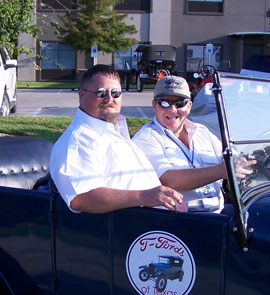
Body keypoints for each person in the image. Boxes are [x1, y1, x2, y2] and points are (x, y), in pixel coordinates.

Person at [49, 65, 183, 214]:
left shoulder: (113, 132)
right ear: (82, 95)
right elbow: (81, 198)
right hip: (126, 226)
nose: (109, 99)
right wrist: (143, 196)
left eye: (116, 93)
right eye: (101, 93)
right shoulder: (79, 140)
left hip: (158, 222)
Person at [132, 75, 253, 213]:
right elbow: (168, 180)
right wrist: (221, 171)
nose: (172, 109)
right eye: (164, 103)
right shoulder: (145, 138)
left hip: (219, 212)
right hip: (180, 218)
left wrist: (250, 160)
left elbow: (230, 158)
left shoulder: (202, 132)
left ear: (189, 106)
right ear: (154, 105)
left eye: (180, 103)